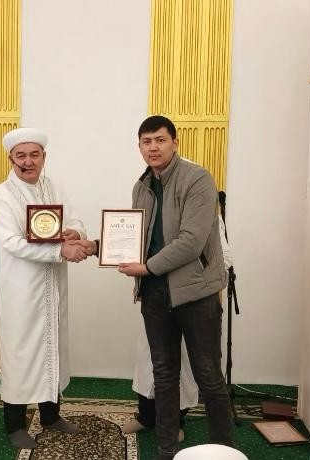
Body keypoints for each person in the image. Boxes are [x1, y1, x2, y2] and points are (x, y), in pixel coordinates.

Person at [118, 116, 234, 459]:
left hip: (196, 294)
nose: (153, 147)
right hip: (154, 294)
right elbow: (134, 238)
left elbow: (191, 242)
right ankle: (166, 451)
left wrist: (146, 267)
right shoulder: (141, 186)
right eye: (146, 141)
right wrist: (96, 246)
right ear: (139, 146)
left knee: (209, 377)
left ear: (175, 142)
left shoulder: (198, 179)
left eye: (160, 140)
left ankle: (225, 450)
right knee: (164, 376)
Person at [0, 127, 95, 449]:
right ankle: (14, 426)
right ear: (11, 158)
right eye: (21, 155)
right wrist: (60, 251)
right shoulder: (0, 195)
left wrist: (74, 234)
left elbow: (75, 221)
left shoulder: (54, 187)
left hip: (53, 286)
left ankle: (50, 416)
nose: (28, 161)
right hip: (20, 290)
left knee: (53, 347)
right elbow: (11, 242)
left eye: (34, 154)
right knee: (20, 353)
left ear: (44, 157)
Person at [123, 213, 234, 442]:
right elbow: (137, 242)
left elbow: (224, 258)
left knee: (182, 369)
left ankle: (176, 422)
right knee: (149, 362)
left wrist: (180, 269)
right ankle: (146, 417)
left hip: (188, 304)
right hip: (155, 299)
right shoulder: (155, 208)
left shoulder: (205, 212)